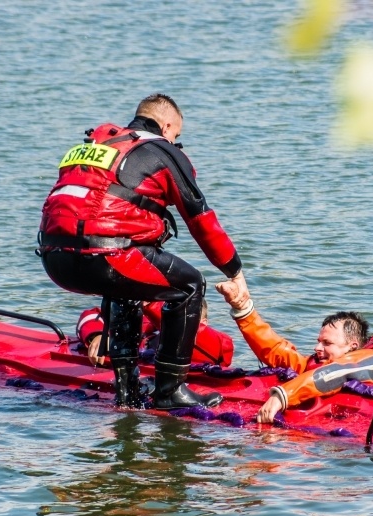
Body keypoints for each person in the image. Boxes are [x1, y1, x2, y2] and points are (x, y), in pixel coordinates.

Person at [38, 93, 250, 409]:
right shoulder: (160, 150)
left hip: (54, 259)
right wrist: (234, 271)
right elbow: (201, 220)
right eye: (176, 136)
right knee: (190, 286)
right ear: (166, 126)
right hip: (105, 257)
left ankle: (127, 391)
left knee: (125, 288)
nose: (176, 143)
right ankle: (170, 391)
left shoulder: (99, 146)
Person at [215, 280, 373, 423]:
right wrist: (242, 309)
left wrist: (281, 397)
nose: (317, 348)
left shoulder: (372, 361)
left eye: (326, 343)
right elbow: (278, 352)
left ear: (352, 346)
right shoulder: (319, 364)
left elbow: (335, 374)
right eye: (318, 341)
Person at [77, 299, 235, 367]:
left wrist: (150, 304)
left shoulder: (216, 342)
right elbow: (92, 315)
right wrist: (98, 336)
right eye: (167, 307)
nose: (168, 311)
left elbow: (183, 329)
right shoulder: (148, 327)